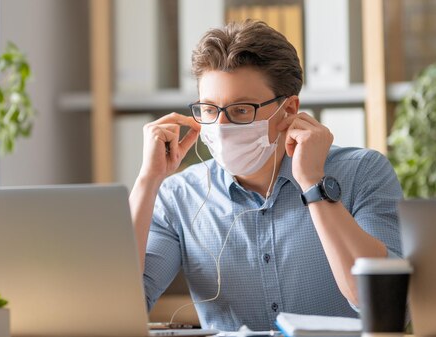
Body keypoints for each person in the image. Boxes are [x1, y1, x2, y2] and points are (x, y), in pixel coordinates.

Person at [129, 20, 402, 331]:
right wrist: (147, 181)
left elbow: (387, 307)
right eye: (208, 109)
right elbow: (121, 307)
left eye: (241, 110)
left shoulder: (362, 172)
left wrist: (313, 185)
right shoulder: (180, 196)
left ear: (288, 110)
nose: (220, 127)